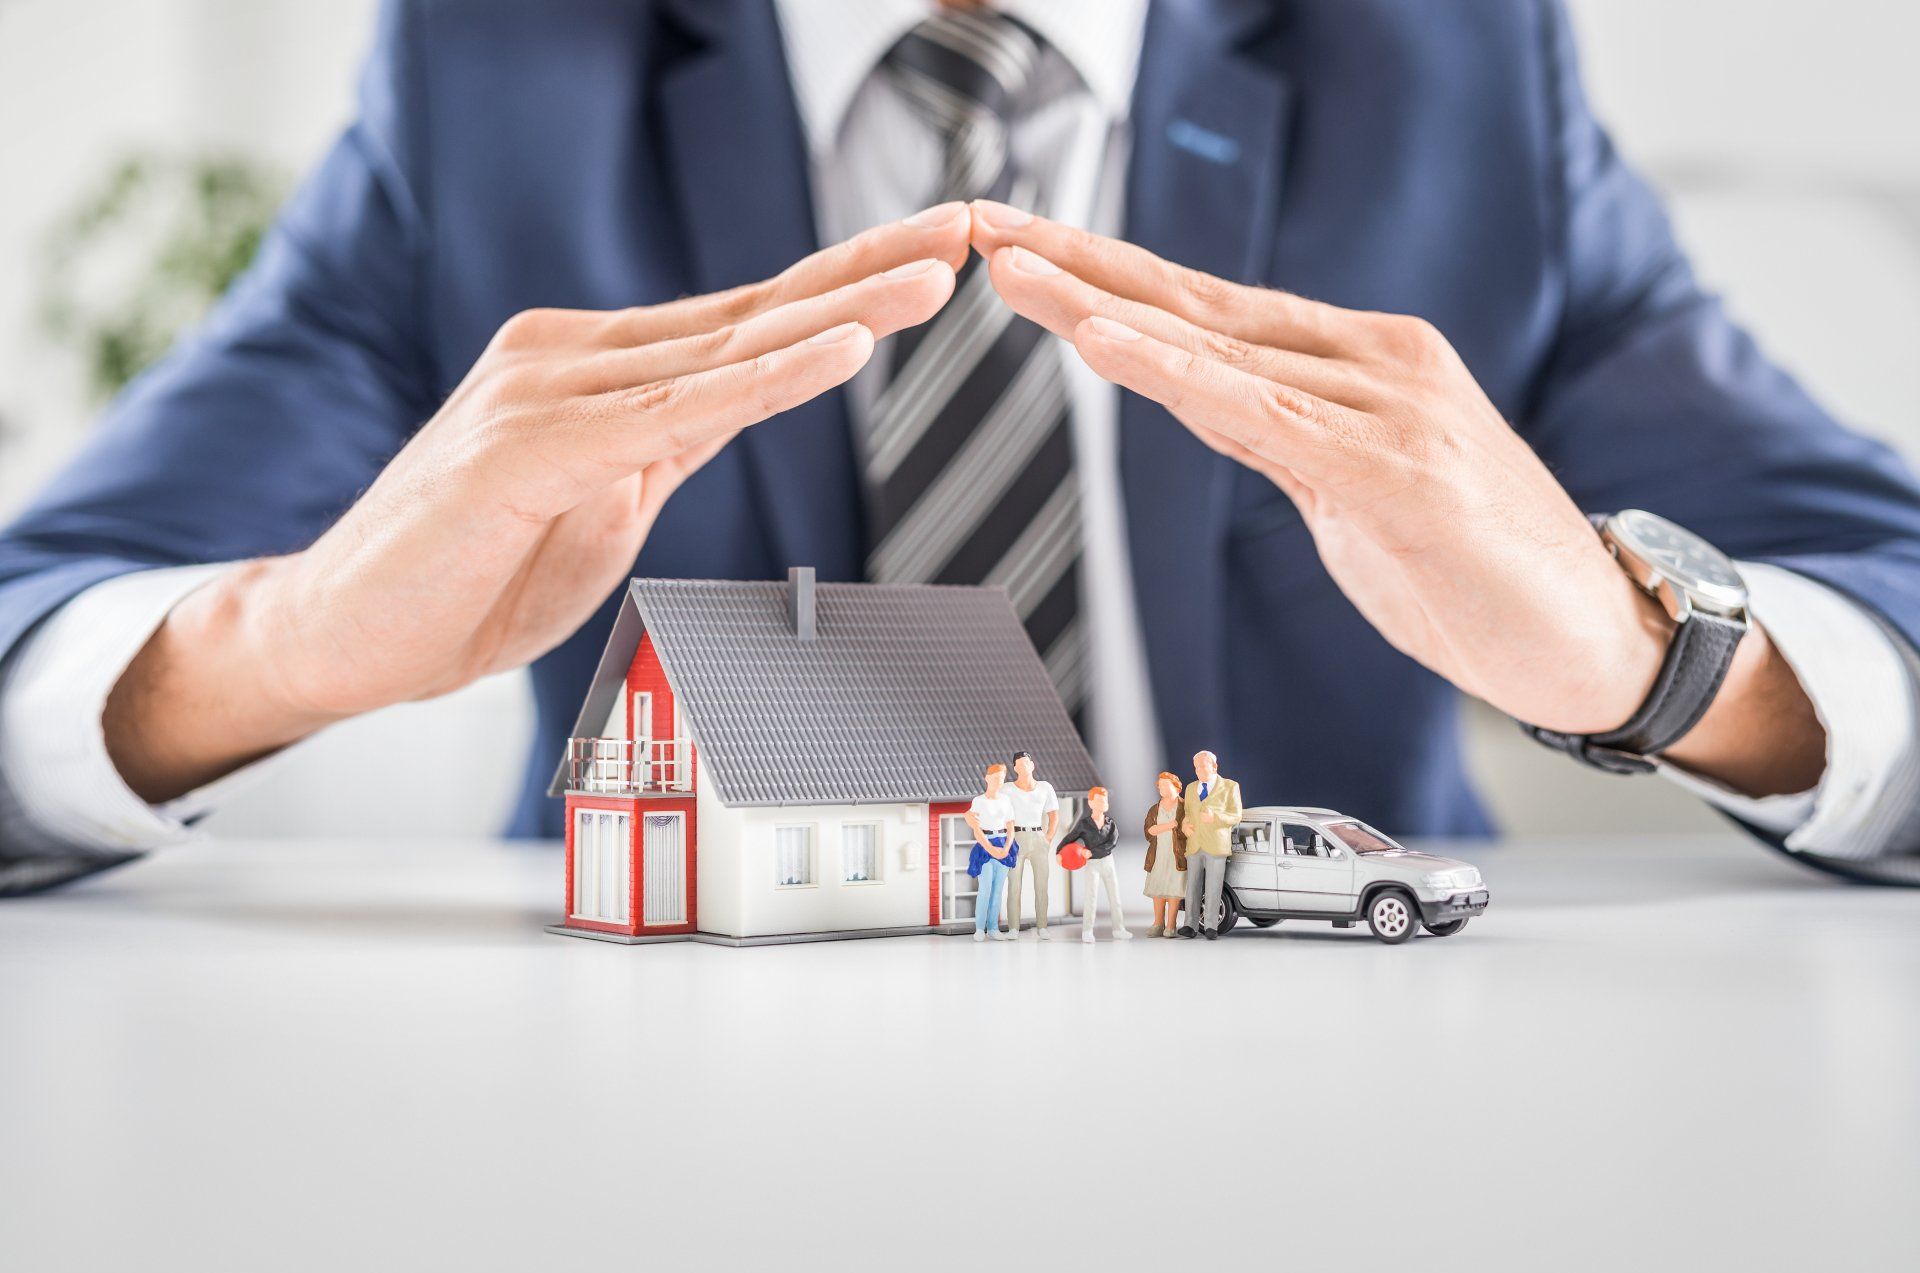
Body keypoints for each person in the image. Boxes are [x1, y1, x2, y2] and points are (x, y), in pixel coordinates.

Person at [6, 0, 1920, 895]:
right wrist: (279, 648)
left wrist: (1647, 658)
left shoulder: (1458, 60)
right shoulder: (489, 65)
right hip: (644, 1083)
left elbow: (1884, 597)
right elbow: (43, 611)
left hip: (1351, 1078)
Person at [1178, 751, 1241, 940]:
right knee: (1192, 886)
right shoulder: (1190, 788)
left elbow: (1236, 815)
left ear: (1214, 767)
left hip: (1216, 844)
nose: (1199, 770)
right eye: (1196, 767)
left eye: (1203, 766)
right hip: (1195, 844)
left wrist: (1215, 818)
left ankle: (1212, 926)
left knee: (1214, 887)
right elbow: (1187, 812)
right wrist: (1184, 825)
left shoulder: (1230, 787)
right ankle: (1190, 924)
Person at [1056, 784, 1129, 943]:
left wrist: (1092, 852)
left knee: (1115, 896)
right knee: (1091, 897)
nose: (1102, 804)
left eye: (1105, 801)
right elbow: (1070, 837)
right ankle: (1087, 931)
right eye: (1099, 801)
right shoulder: (1084, 824)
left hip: (1108, 861)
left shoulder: (1110, 823)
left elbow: (1113, 842)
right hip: (1092, 865)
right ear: (1090, 803)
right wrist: (1059, 851)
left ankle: (1119, 928)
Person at [1000, 749, 1060, 938]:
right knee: (1014, 885)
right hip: (1016, 839)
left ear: (1033, 765)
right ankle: (1013, 928)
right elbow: (1001, 814)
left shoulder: (1045, 788)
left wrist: (1048, 838)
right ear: (1015, 767)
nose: (1025, 766)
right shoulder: (1007, 789)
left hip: (1038, 837)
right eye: (1021, 763)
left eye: (1028, 762)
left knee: (1041, 885)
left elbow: (1054, 815)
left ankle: (1042, 926)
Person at [964, 763, 1018, 941]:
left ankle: (993, 927)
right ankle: (980, 928)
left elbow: (1010, 826)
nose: (999, 782)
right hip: (986, 847)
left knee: (997, 890)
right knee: (985, 889)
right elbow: (976, 829)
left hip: (1003, 844)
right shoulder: (978, 801)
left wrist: (1006, 847)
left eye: (1002, 779)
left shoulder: (1006, 800)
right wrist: (990, 848)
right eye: (995, 778)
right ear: (987, 779)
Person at [1142, 772, 1187, 938]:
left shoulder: (1185, 807)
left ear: (1176, 786)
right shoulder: (1155, 809)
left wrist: (1167, 827)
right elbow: (1149, 832)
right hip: (1158, 855)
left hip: (1177, 856)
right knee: (1159, 891)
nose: (1161, 788)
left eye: (1165, 785)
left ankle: (1171, 924)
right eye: (1160, 785)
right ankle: (1158, 922)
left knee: (1173, 891)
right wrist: (1170, 825)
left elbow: (1187, 830)